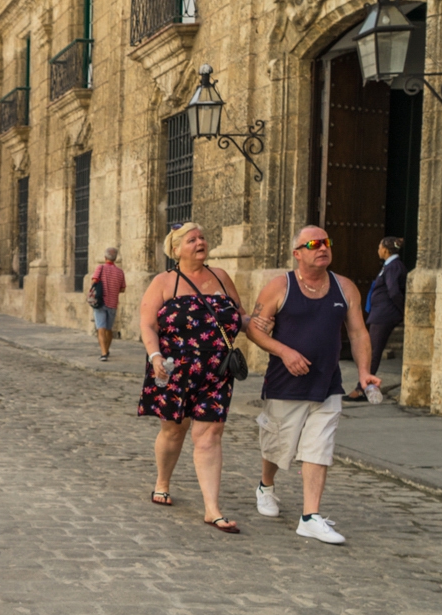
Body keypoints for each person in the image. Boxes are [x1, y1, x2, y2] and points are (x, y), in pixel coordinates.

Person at [244, 225, 379, 544]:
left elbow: (358, 333)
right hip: (284, 384)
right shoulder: (280, 286)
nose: (323, 248)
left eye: (327, 242)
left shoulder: (344, 287)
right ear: (297, 253)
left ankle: (310, 517)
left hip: (327, 383)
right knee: (277, 447)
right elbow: (255, 329)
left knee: (320, 447)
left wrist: (364, 372)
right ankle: (266, 486)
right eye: (314, 243)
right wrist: (285, 351)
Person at [137, 222, 246, 532]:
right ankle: (163, 480)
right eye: (192, 239)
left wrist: (269, 324)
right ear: (176, 250)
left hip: (217, 371)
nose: (200, 242)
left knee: (210, 434)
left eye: (202, 238)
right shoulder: (164, 282)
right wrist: (154, 355)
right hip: (173, 370)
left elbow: (239, 314)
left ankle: (212, 508)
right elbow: (147, 324)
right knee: (174, 431)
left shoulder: (221, 277)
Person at [352, 236, 408, 394]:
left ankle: (362, 388)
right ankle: (363, 386)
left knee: (373, 352)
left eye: (379, 247)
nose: (378, 250)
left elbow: (394, 291)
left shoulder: (394, 266)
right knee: (371, 350)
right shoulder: (389, 266)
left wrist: (402, 311)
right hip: (381, 313)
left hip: (385, 314)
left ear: (385, 249)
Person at [88, 245, 126, 359]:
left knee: (101, 329)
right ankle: (107, 350)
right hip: (113, 303)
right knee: (109, 329)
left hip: (100, 302)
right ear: (115, 258)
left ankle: (104, 353)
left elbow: (94, 281)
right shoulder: (120, 272)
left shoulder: (100, 268)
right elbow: (123, 288)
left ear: (105, 257)